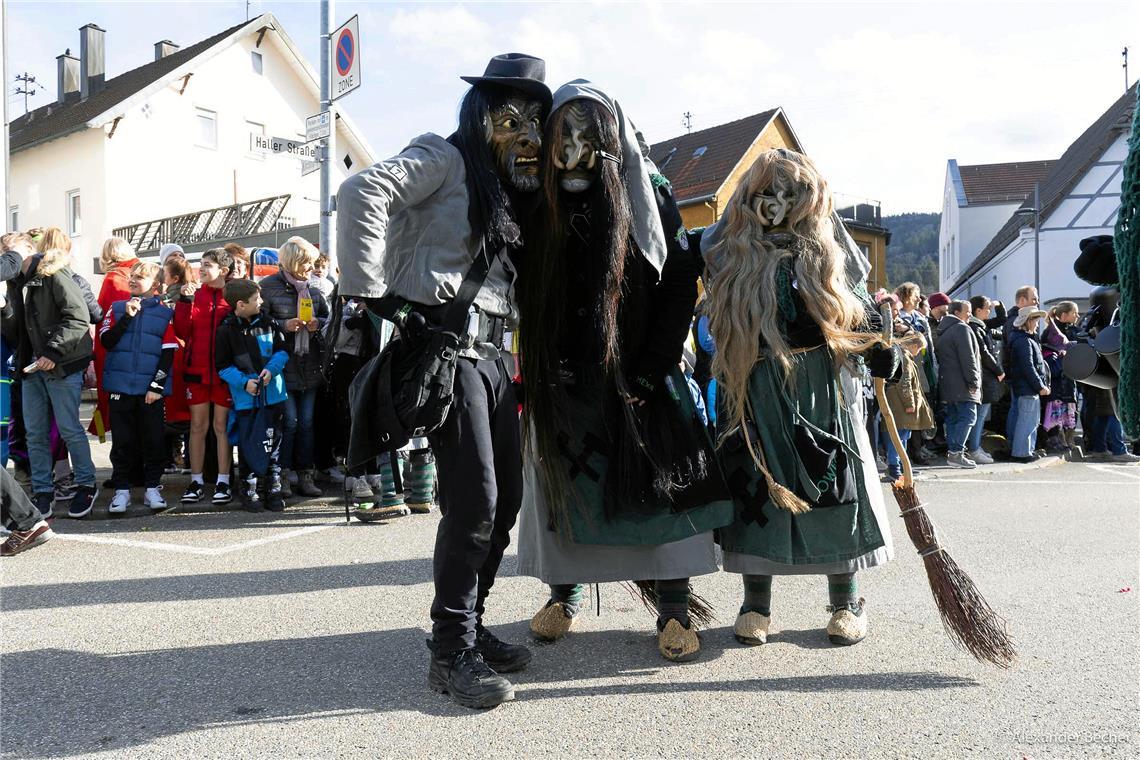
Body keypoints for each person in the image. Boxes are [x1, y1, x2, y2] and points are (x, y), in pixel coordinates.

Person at [337, 53, 551, 709]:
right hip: (446, 355)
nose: (525, 134)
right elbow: (360, 191)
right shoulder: (444, 156)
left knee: (505, 502)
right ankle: (450, 650)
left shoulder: (504, 191)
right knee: (476, 503)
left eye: (532, 122)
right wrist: (375, 295)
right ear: (482, 115)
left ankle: (470, 625)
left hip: (494, 361)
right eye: (509, 118)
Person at [513, 80, 732, 662]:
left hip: (639, 376)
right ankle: (567, 593)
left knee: (660, 491)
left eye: (590, 138)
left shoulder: (646, 192)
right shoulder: (536, 195)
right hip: (565, 382)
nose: (575, 153)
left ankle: (676, 605)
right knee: (570, 491)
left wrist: (653, 369)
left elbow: (678, 276)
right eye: (566, 137)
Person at [702, 148, 900, 649]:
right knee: (758, 492)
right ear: (750, 198)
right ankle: (755, 603)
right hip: (753, 385)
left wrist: (882, 352)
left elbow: (859, 310)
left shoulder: (828, 252)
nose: (777, 204)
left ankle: (845, 599)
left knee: (832, 487)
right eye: (767, 193)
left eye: (789, 194)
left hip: (820, 389)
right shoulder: (726, 250)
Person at [17, 244, 98, 518]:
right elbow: (17, 329)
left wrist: (53, 351)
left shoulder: (54, 273)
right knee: (35, 433)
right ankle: (43, 492)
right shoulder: (19, 281)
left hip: (61, 364)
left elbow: (79, 317)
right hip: (32, 368)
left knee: (69, 429)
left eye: (9, 251)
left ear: (27, 250)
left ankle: (86, 485)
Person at [98, 261, 177, 513]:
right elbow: (106, 340)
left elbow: (168, 354)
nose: (132, 279)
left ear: (155, 285)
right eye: (132, 275)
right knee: (122, 442)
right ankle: (121, 491)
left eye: (140, 276)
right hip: (120, 387)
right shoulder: (117, 307)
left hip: (150, 392)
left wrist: (156, 386)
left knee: (153, 440)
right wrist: (127, 318)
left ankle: (152, 488)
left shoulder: (165, 313)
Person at [258, 236, 329, 499]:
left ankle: (305, 474)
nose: (311, 268)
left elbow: (327, 317)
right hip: (282, 363)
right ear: (293, 262)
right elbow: (260, 322)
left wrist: (318, 324)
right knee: (288, 422)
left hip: (310, 363)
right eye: (307, 263)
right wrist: (283, 325)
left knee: (307, 423)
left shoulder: (315, 288)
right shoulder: (267, 286)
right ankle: (283, 474)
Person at [215, 278, 290, 511]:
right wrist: (244, 382)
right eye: (256, 299)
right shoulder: (226, 330)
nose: (261, 301)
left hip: (274, 396)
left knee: (274, 443)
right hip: (246, 400)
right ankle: (249, 489)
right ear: (240, 304)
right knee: (248, 445)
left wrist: (271, 370)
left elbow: (282, 351)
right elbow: (223, 366)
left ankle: (273, 488)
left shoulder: (269, 323)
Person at [174, 248, 234, 505]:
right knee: (197, 428)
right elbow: (181, 331)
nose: (202, 268)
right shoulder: (194, 296)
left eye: (208, 265)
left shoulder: (233, 296)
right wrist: (184, 303)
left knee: (222, 428)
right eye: (202, 264)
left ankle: (224, 480)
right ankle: (196, 481)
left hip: (223, 375)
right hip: (196, 372)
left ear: (224, 270)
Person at [91, 237, 141, 438]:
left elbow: (102, 317)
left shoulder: (113, 278)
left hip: (114, 348)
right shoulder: (141, 273)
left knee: (110, 402)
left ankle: (105, 436)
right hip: (139, 348)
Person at [935, 300, 982, 468]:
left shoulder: (944, 331)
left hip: (949, 386)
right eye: (967, 311)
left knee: (954, 419)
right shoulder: (962, 329)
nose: (969, 314)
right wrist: (974, 381)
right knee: (968, 417)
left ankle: (953, 454)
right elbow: (968, 358)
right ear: (956, 313)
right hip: (963, 385)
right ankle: (956, 453)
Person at [883, 332, 934, 481]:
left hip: (898, 402)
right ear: (912, 345)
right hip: (901, 404)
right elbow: (903, 382)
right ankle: (895, 468)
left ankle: (901, 467)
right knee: (899, 437)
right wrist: (910, 403)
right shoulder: (904, 357)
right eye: (919, 348)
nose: (919, 352)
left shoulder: (903, 355)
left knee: (903, 436)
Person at [1006, 307, 1050, 462]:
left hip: (1023, 386)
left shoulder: (1021, 339)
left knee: (1025, 419)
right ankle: (1022, 452)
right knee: (1028, 421)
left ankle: (1024, 450)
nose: (1037, 325)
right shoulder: (1024, 341)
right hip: (1027, 388)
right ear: (1028, 321)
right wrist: (1040, 386)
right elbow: (1028, 367)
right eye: (1036, 321)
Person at [966, 295, 1004, 464]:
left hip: (985, 377)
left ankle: (975, 447)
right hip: (983, 377)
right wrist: (998, 370)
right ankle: (973, 449)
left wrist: (998, 305)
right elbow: (984, 353)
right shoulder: (975, 327)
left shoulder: (982, 325)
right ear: (978, 311)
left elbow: (1002, 319)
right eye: (987, 308)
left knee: (979, 416)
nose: (990, 310)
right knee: (978, 416)